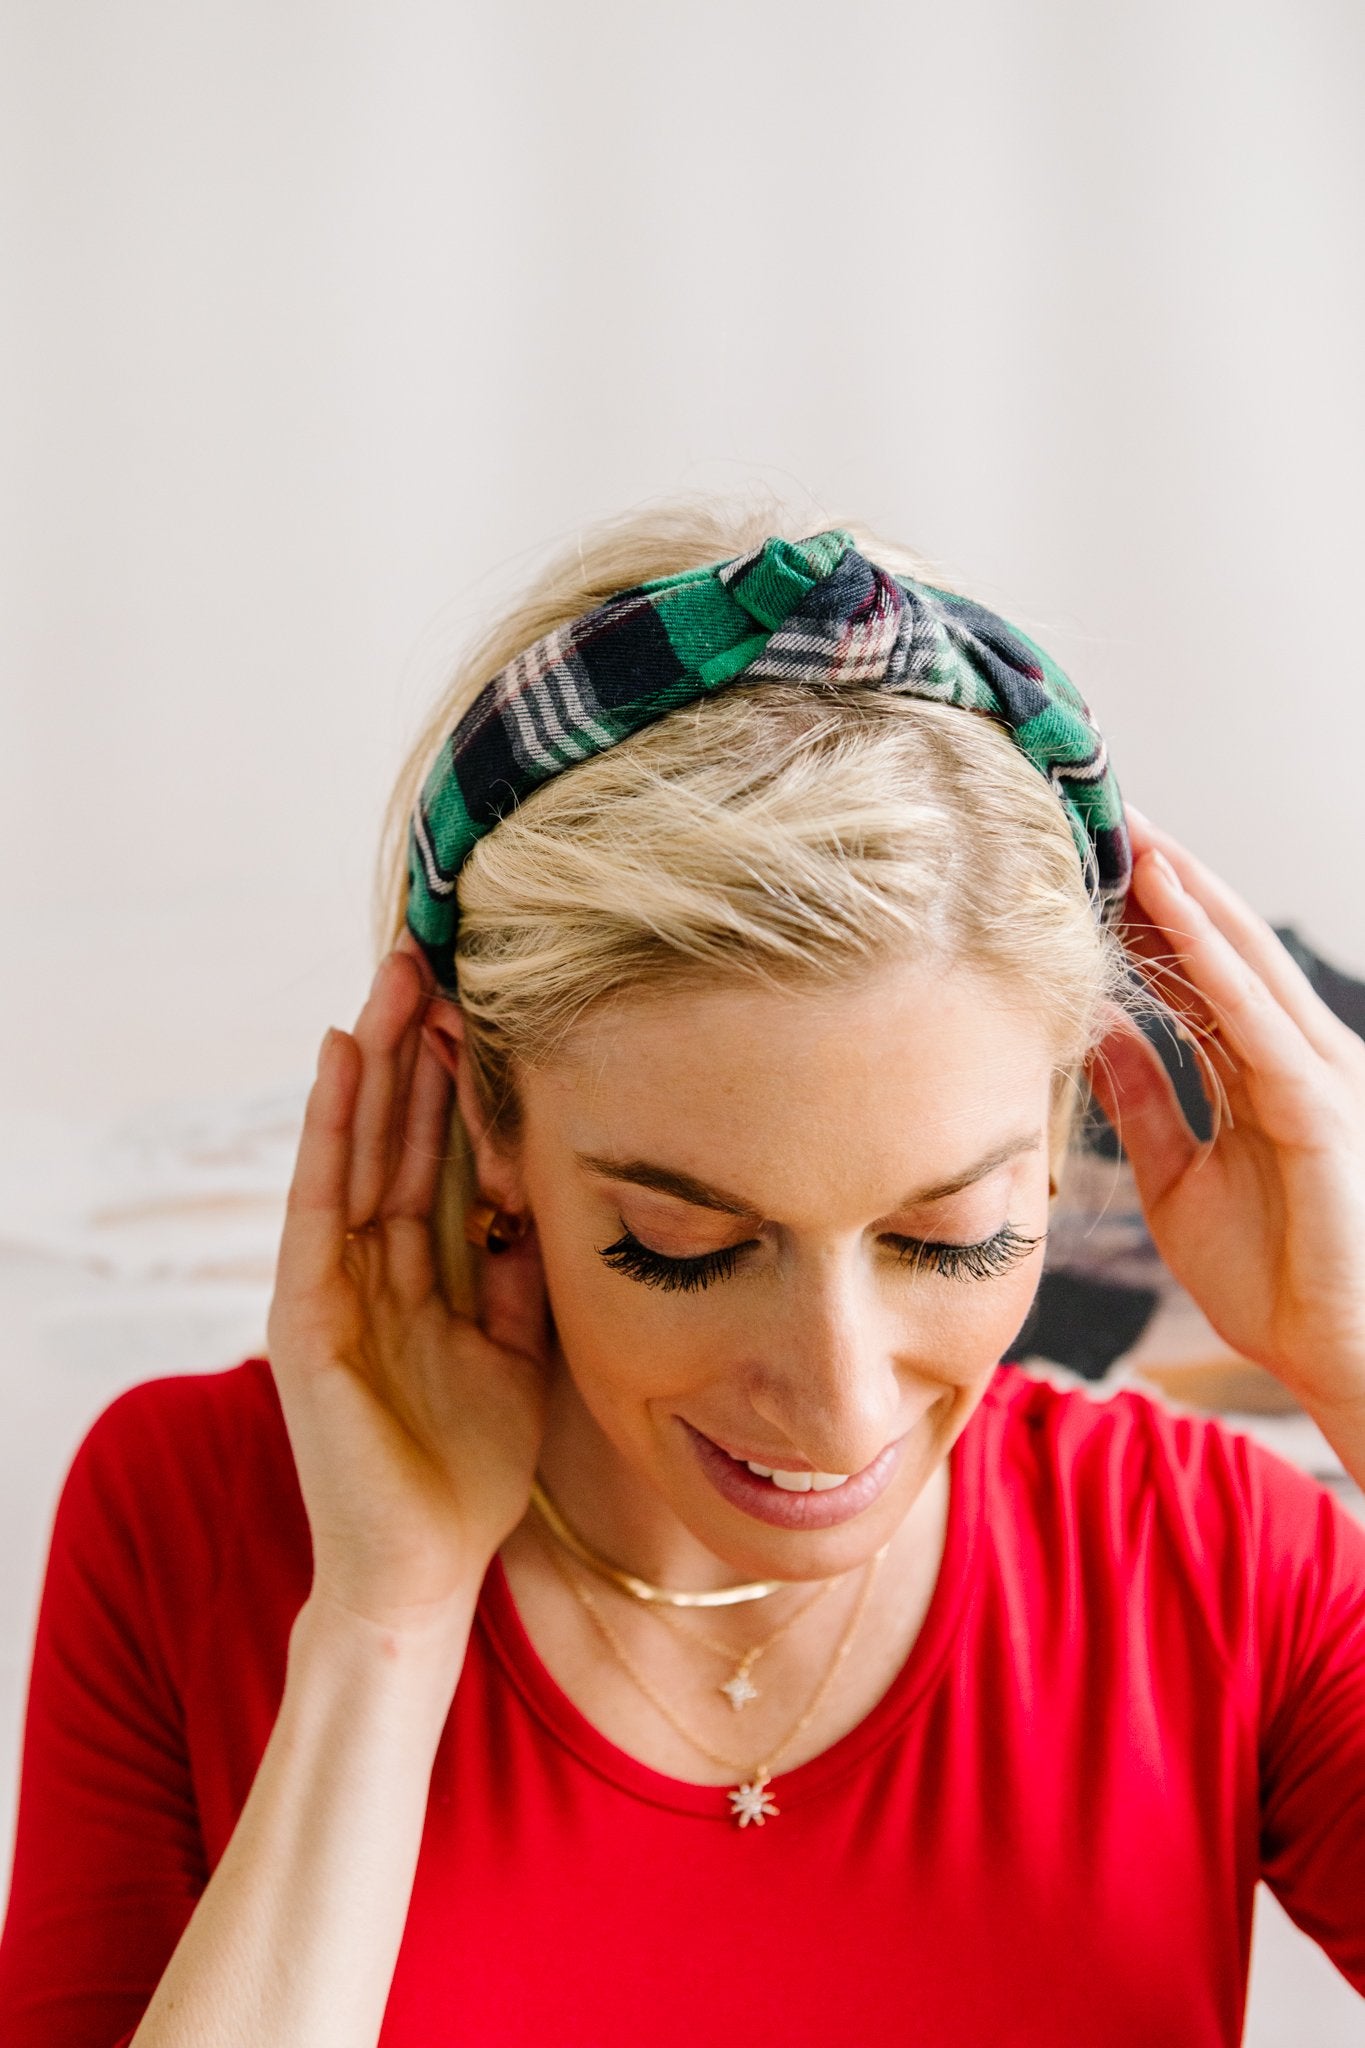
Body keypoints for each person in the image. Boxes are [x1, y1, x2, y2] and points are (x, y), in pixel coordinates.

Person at [1, 503, 1363, 2048]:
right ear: (485, 1113)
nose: (836, 1401)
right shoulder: (195, 1523)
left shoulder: (1214, 1566)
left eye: (949, 1236)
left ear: (1058, 1136)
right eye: (686, 1247)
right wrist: (383, 1629)